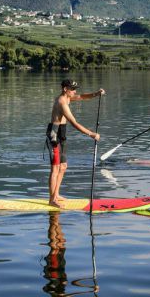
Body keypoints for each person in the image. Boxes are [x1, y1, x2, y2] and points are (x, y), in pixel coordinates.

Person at [46, 79, 105, 208]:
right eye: (72, 89)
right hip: (54, 134)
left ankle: (56, 194)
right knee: (55, 168)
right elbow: (74, 123)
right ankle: (51, 200)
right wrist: (91, 134)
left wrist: (96, 94)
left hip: (62, 133)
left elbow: (82, 97)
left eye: (75, 88)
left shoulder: (67, 98)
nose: (74, 91)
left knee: (63, 166)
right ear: (65, 89)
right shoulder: (61, 102)